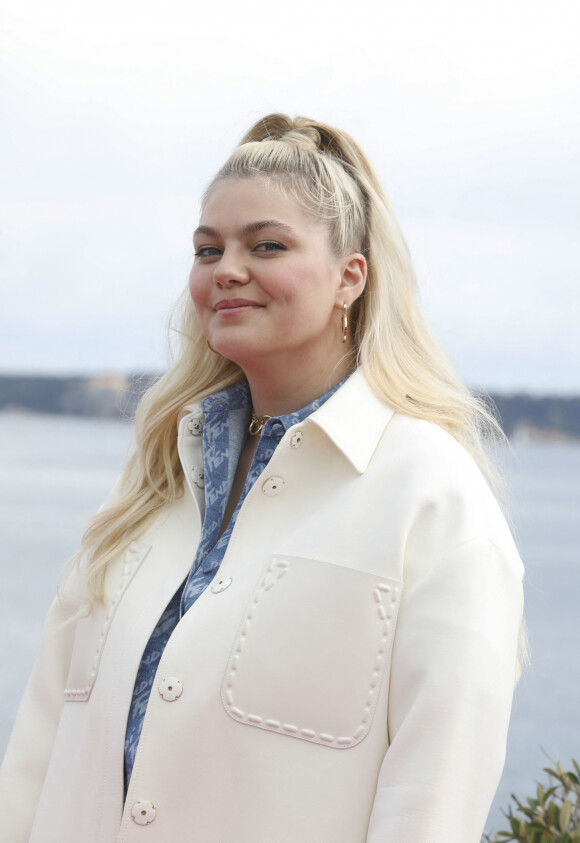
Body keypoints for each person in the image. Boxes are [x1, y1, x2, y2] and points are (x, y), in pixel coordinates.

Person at [0, 114, 524, 843]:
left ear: (351, 276)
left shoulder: (431, 496)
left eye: (266, 244)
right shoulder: (153, 488)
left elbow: (437, 792)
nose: (226, 269)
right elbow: (38, 743)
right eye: (207, 248)